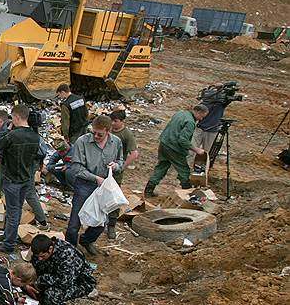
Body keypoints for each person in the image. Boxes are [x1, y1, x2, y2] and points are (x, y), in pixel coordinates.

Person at [0, 105, 48, 253]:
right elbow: (38, 156)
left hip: (12, 180)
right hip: (25, 179)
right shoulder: (35, 137)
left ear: (16, 117)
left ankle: (8, 244)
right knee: (15, 210)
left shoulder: (12, 136)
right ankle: (7, 236)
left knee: (13, 212)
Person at [66, 115, 124, 255]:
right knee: (75, 221)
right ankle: (69, 249)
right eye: (93, 133)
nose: (96, 136)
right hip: (85, 184)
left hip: (104, 186)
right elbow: (76, 168)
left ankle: (86, 240)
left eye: (100, 134)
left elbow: (120, 161)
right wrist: (95, 178)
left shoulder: (116, 142)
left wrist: (116, 165)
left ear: (108, 131)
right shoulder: (82, 142)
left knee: (100, 222)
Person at [29, 234, 96, 305]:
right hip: (58, 276)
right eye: (38, 256)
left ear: (50, 248)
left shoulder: (66, 254)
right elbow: (35, 265)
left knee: (52, 294)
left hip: (80, 282)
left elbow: (65, 282)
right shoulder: (42, 250)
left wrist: (40, 281)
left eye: (42, 256)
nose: (40, 258)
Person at [145, 105, 209, 196]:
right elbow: (183, 140)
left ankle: (148, 191)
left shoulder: (180, 113)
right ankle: (188, 194)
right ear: (198, 112)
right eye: (202, 117)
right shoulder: (190, 122)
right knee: (184, 171)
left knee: (161, 167)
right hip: (174, 148)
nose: (201, 119)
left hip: (164, 143)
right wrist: (196, 149)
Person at [106, 110, 139, 239]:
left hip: (116, 169)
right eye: (111, 121)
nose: (113, 123)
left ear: (122, 121)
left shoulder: (126, 134)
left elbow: (134, 153)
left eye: (115, 121)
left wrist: (122, 167)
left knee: (114, 196)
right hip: (103, 167)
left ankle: (111, 225)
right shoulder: (108, 129)